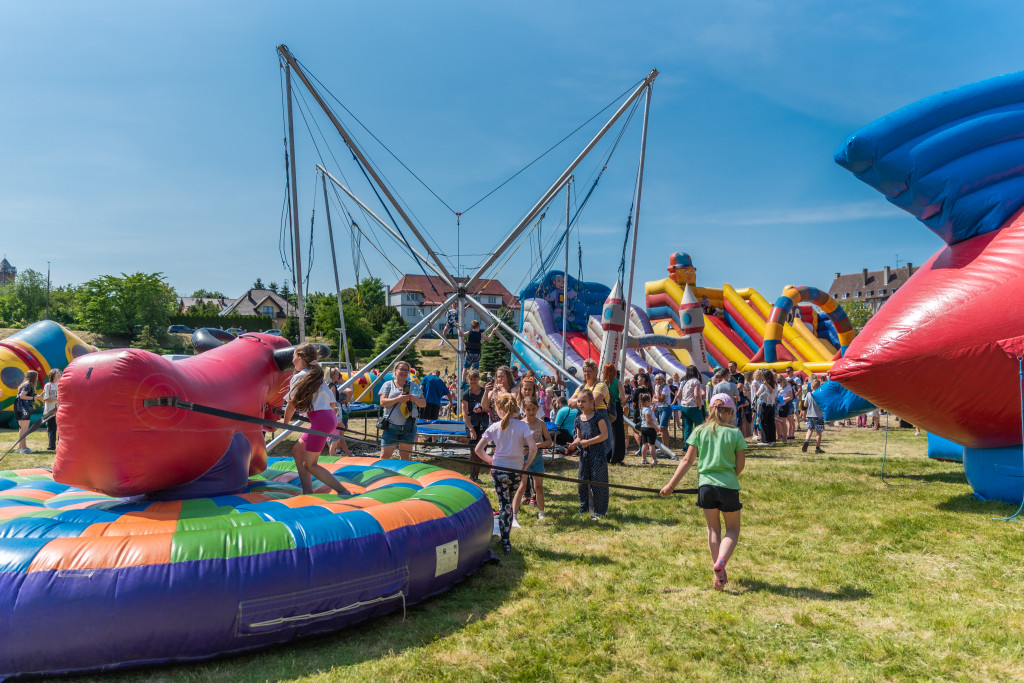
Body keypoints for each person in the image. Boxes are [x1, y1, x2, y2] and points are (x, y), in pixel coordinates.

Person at [660, 393, 746, 591]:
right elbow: (740, 465)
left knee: (713, 530)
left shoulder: (699, 430)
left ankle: (718, 576)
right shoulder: (735, 433)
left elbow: (687, 461)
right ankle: (721, 563)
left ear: (710, 410)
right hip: (729, 486)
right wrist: (729, 478)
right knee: (732, 529)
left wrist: (671, 486)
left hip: (705, 487)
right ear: (731, 412)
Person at [474, 392, 537, 554]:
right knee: (508, 502)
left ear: (498, 409)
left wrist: (490, 461)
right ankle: (506, 538)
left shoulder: (494, 427)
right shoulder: (522, 426)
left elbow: (478, 449)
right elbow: (533, 447)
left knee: (504, 504)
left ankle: (506, 540)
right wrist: (526, 464)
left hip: (499, 470)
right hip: (515, 470)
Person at [284, 344, 350, 496]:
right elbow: (332, 402)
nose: (292, 360)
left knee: (311, 464)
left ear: (300, 358)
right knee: (297, 451)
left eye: (294, 356)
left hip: (320, 421)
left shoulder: (300, 376)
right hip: (325, 418)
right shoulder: (315, 376)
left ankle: (343, 491)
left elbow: (291, 404)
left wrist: (285, 423)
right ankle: (307, 491)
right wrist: (332, 417)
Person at [568, 388, 610, 520]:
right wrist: (573, 444)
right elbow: (579, 437)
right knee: (582, 482)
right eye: (578, 401)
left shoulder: (598, 417)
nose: (580, 404)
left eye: (583, 401)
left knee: (598, 482)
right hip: (584, 455)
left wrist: (589, 442)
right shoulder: (578, 419)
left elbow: (604, 435)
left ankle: (600, 511)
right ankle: (584, 508)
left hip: (597, 454)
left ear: (592, 402)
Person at [513, 396, 552, 521]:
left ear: (538, 409)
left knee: (538, 486)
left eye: (533, 409)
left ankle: (541, 511)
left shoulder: (541, 423)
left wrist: (536, 445)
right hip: (524, 458)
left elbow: (549, 441)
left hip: (537, 457)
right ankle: (514, 513)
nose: (530, 412)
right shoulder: (520, 424)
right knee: (522, 485)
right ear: (523, 409)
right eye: (528, 409)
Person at [379, 361, 426, 459]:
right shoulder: (388, 384)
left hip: (409, 426)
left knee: (405, 457)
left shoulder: (413, 386)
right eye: (401, 369)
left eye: (406, 370)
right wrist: (398, 399)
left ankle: (401, 475)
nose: (404, 372)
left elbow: (423, 404)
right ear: (395, 371)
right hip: (391, 426)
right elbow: (382, 402)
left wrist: (414, 399)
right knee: (384, 456)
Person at [568, 359, 611, 460]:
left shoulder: (601, 385)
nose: (587, 373)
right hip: (583, 418)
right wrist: (584, 402)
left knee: (600, 443)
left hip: (598, 417)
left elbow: (594, 403)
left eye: (589, 371)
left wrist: (578, 401)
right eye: (585, 371)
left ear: (596, 372)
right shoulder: (581, 387)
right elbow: (570, 403)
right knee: (584, 444)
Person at [462, 369, 490, 482]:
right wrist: (471, 429)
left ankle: (476, 476)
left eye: (475, 379)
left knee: (481, 451)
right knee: (474, 451)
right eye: (471, 379)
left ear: (478, 379)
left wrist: (481, 409)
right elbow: (464, 414)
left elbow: (488, 408)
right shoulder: (466, 394)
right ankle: (472, 476)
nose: (473, 381)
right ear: (468, 379)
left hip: (483, 424)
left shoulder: (484, 392)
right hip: (472, 425)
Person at [603, 363, 627, 465]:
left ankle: (607, 456)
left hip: (605, 408)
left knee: (607, 432)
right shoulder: (617, 383)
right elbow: (623, 398)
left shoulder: (602, 383)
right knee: (618, 433)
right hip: (616, 407)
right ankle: (616, 457)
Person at [326, 368, 353, 458]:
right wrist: (338, 420)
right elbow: (333, 403)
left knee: (338, 437)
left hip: (333, 413)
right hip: (335, 413)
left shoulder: (329, 385)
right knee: (335, 439)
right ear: (334, 376)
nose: (339, 376)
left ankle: (348, 454)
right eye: (338, 374)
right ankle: (335, 457)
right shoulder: (332, 386)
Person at [674, 365, 704, 444]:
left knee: (687, 428)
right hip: (694, 407)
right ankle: (700, 446)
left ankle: (687, 447)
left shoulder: (683, 381)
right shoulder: (696, 381)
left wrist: (683, 401)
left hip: (684, 406)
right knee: (700, 427)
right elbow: (696, 395)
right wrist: (700, 405)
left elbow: (679, 394)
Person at [14, 371, 39, 454]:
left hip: (20, 407)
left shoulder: (26, 384)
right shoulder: (28, 385)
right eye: (37, 376)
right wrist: (32, 398)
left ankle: (21, 447)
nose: (37, 378)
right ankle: (23, 449)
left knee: (22, 428)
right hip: (23, 407)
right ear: (33, 377)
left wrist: (36, 397)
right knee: (24, 429)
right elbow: (22, 396)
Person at [801, 375, 826, 454]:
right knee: (819, 432)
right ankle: (817, 448)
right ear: (819, 386)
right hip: (818, 416)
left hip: (809, 415)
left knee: (809, 430)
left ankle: (807, 440)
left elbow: (805, 405)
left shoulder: (808, 394)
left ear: (811, 386)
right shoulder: (821, 394)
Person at [755, 371, 779, 445]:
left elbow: (757, 394)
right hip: (771, 405)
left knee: (763, 422)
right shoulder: (775, 384)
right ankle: (772, 439)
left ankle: (765, 440)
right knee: (771, 422)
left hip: (764, 404)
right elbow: (775, 394)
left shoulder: (763, 385)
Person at [42, 368, 61, 451]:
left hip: (60, 411)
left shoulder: (62, 384)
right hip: (50, 411)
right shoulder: (48, 385)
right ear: (52, 375)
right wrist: (58, 399)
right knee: (51, 429)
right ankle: (51, 446)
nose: (59, 373)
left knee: (61, 430)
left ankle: (61, 446)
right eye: (57, 373)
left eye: (59, 372)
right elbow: (46, 398)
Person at [639, 393, 659, 466]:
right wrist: (655, 427)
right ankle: (654, 460)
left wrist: (652, 409)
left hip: (643, 428)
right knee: (651, 445)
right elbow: (649, 421)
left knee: (644, 444)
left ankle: (643, 459)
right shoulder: (647, 410)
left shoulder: (642, 409)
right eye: (650, 400)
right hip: (650, 428)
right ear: (647, 401)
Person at [653, 374, 673, 446]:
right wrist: (657, 398)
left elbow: (660, 399)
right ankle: (665, 446)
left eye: (660, 379)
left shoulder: (665, 387)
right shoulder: (656, 386)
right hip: (660, 407)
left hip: (666, 407)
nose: (658, 381)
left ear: (663, 380)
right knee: (663, 428)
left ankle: (665, 446)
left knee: (662, 427)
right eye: (657, 379)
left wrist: (658, 392)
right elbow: (655, 398)